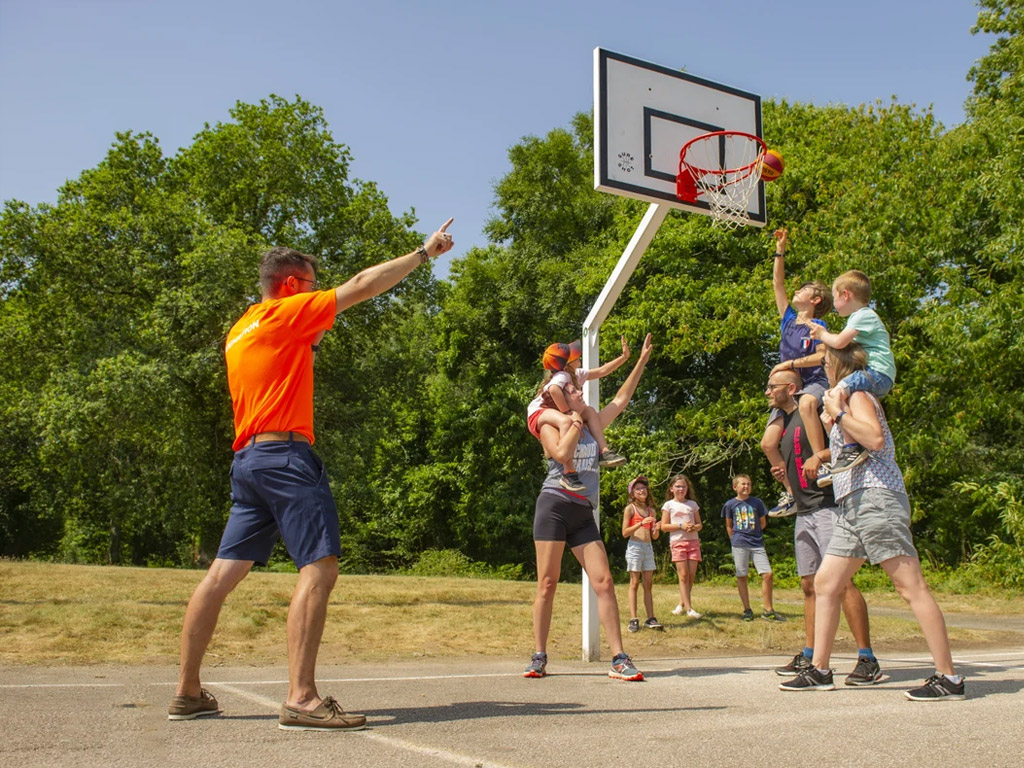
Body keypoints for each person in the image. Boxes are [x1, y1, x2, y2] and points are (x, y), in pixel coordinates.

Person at [168, 219, 456, 730]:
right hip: (285, 459)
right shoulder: (285, 312)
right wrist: (422, 253)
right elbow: (362, 286)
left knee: (220, 575)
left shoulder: (241, 329)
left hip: (249, 463)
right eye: (312, 284)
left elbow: (296, 355)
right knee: (319, 567)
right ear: (290, 286)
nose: (319, 294)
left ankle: (187, 692)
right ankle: (302, 697)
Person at [779, 342, 965, 701]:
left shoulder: (857, 394)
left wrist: (837, 411)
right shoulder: (844, 398)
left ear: (837, 363)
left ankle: (949, 677)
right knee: (827, 583)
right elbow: (855, 446)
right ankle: (819, 670)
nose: (821, 367)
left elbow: (876, 439)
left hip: (876, 498)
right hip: (853, 504)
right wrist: (830, 431)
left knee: (911, 586)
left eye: (824, 360)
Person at [524, 334, 654, 681]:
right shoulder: (554, 423)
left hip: (583, 510)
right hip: (554, 504)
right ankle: (538, 656)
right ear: (560, 396)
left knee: (604, 581)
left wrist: (639, 360)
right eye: (574, 390)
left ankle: (619, 658)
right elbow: (561, 455)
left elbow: (622, 399)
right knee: (547, 583)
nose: (580, 392)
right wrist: (574, 420)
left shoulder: (593, 426)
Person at [765, 368, 882, 685]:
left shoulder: (814, 411)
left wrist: (821, 456)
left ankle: (867, 658)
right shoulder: (785, 424)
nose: (766, 393)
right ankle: (810, 654)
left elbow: (849, 446)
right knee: (809, 586)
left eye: (771, 387)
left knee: (842, 584)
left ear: (790, 388)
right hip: (804, 509)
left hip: (829, 505)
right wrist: (787, 481)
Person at [761, 228, 832, 515]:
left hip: (813, 382)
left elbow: (821, 355)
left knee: (808, 402)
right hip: (789, 388)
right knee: (767, 443)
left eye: (805, 290)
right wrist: (780, 249)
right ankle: (791, 493)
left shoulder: (819, 328)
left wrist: (788, 365)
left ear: (816, 300)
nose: (797, 291)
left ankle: (823, 460)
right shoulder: (788, 319)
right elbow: (777, 283)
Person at [807, 269, 897, 484]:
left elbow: (839, 342)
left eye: (835, 296)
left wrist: (821, 335)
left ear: (846, 294)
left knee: (836, 392)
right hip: (878, 373)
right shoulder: (862, 316)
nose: (834, 303)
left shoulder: (863, 315)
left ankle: (851, 447)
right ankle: (844, 449)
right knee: (840, 395)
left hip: (877, 372)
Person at [526, 337, 631, 491]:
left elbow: (603, 371)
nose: (578, 356)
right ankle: (568, 472)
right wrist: (568, 413)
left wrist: (623, 357)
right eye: (573, 356)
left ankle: (604, 451)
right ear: (566, 364)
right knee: (566, 422)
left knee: (589, 411)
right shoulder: (562, 376)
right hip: (538, 412)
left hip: (550, 412)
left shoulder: (576, 374)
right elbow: (554, 390)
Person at [720, 475, 781, 621]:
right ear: (735, 487)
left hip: (757, 543)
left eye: (748, 484)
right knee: (742, 575)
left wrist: (755, 534)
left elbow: (763, 522)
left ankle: (768, 609)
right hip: (739, 543)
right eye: (743, 484)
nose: (746, 486)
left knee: (767, 574)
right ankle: (747, 609)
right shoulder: (730, 504)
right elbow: (729, 525)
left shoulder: (757, 502)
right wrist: (734, 539)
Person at [621, 474, 662, 632]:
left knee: (648, 584)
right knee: (634, 583)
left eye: (644, 488)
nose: (642, 490)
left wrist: (656, 529)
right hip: (635, 546)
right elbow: (624, 532)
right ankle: (633, 619)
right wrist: (640, 524)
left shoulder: (651, 511)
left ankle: (650, 617)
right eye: (638, 488)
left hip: (648, 547)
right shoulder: (630, 509)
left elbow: (654, 536)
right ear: (632, 493)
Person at [660, 474, 703, 619]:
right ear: (671, 488)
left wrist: (693, 527)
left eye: (683, 486)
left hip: (693, 542)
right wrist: (681, 526)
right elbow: (664, 526)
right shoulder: (668, 505)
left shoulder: (692, 504)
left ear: (687, 488)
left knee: (690, 576)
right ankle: (690, 609)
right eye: (678, 486)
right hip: (677, 542)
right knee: (683, 575)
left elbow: (700, 525)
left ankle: (681, 605)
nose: (681, 489)